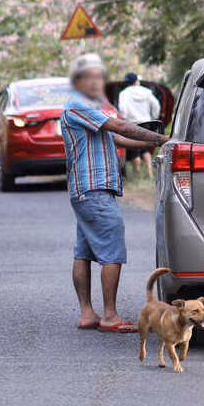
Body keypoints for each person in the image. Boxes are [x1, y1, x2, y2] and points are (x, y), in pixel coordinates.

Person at [61, 53, 168, 333]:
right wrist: (160, 138)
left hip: (88, 190)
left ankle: (87, 313)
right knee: (112, 250)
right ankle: (110, 315)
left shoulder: (90, 109)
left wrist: (156, 142)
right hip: (93, 188)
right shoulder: (77, 105)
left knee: (84, 251)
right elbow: (119, 126)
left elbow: (117, 137)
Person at [118, 72, 161, 179]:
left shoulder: (124, 94)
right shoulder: (147, 92)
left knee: (134, 149)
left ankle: (137, 175)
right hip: (146, 123)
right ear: (136, 81)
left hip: (132, 124)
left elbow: (122, 109)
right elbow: (156, 105)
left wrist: (124, 119)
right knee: (145, 148)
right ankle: (150, 173)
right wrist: (153, 116)